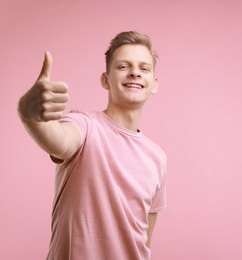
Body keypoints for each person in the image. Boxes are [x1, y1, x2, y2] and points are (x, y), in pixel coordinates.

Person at [18, 31, 167, 260]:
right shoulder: (84, 125)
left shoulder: (157, 157)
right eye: (123, 66)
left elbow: (145, 237)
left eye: (144, 68)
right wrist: (30, 115)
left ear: (154, 84)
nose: (135, 72)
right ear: (105, 80)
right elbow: (59, 141)